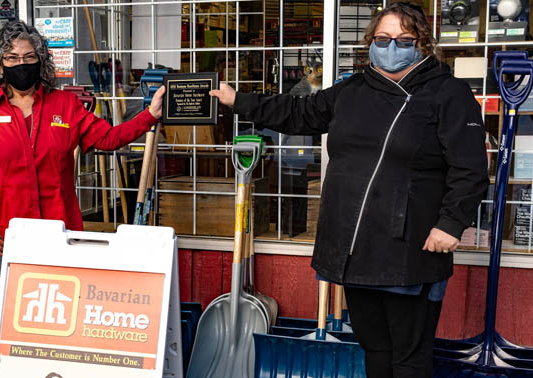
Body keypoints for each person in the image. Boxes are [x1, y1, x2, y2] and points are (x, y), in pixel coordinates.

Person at [210, 3, 489, 377]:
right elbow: (299, 112)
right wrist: (237, 100)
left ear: (422, 44)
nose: (391, 47)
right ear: (369, 41)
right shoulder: (352, 90)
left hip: (410, 246)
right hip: (354, 244)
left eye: (404, 40)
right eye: (382, 39)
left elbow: (470, 168)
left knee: (408, 356)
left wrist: (451, 223)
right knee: (374, 346)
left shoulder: (448, 93)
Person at [0, 21, 164, 271]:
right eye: (12, 58)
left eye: (29, 56)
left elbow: (109, 138)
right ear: (0, 64)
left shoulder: (66, 105)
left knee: (61, 304)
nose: (21, 64)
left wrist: (150, 115)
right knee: (16, 306)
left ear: (41, 61)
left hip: (61, 234)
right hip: (8, 235)